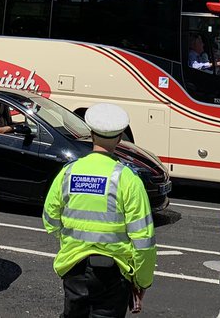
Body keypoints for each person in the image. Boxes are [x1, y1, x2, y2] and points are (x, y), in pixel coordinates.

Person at [43, 102, 156, 317]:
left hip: (73, 267)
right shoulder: (127, 179)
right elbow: (143, 240)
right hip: (114, 274)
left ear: (91, 135)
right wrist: (142, 281)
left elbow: (50, 220)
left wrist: (72, 241)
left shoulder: (68, 173)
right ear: (120, 138)